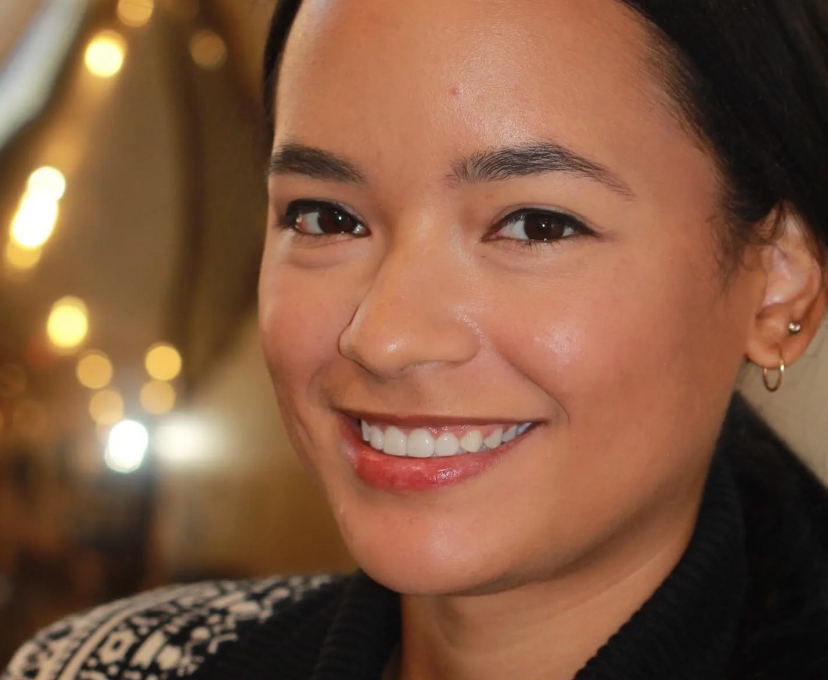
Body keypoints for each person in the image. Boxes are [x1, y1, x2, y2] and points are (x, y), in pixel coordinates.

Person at [6, 0, 828, 678]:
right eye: (326, 217)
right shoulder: (107, 667)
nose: (386, 338)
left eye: (535, 225)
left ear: (779, 281)